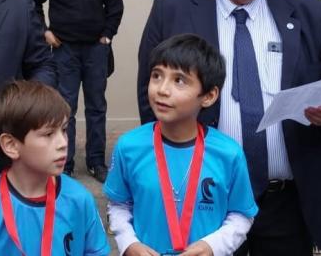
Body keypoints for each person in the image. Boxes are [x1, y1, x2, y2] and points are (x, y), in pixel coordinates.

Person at [137, 0, 321, 255]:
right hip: (204, 196)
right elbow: (149, 92)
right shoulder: (175, 6)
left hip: (285, 200)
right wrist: (168, 170)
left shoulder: (307, 12)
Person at [106, 34, 257, 256]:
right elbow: (119, 205)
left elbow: (241, 214)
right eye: (157, 76)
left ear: (209, 95)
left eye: (179, 80)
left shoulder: (228, 153)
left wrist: (213, 246)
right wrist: (129, 244)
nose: (162, 89)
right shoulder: (129, 147)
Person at [0, 80, 111, 256]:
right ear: (11, 145)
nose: (63, 143)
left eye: (64, 130)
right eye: (48, 134)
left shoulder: (80, 199)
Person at [29, 0, 123, 181]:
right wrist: (44, 32)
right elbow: (32, 2)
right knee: (65, 109)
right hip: (65, 51)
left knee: (97, 107)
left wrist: (107, 35)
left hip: (95, 50)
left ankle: (96, 161)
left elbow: (115, 5)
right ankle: (65, 162)